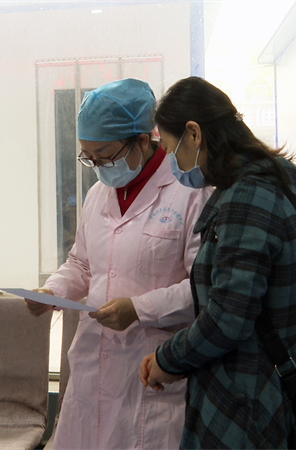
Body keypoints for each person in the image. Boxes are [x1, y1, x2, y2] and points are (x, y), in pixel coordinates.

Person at [25, 78, 210, 450]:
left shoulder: (191, 192)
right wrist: (53, 291)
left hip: (151, 368)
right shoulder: (97, 194)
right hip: (93, 366)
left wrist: (138, 309)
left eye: (105, 156)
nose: (97, 166)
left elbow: (202, 288)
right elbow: (81, 263)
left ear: (143, 140)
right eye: (88, 157)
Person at [140, 76, 296, 450]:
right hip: (240, 394)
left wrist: (169, 358)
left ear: (194, 134)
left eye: (170, 150)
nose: (172, 163)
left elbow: (228, 317)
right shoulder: (254, 189)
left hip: (243, 406)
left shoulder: (249, 198)